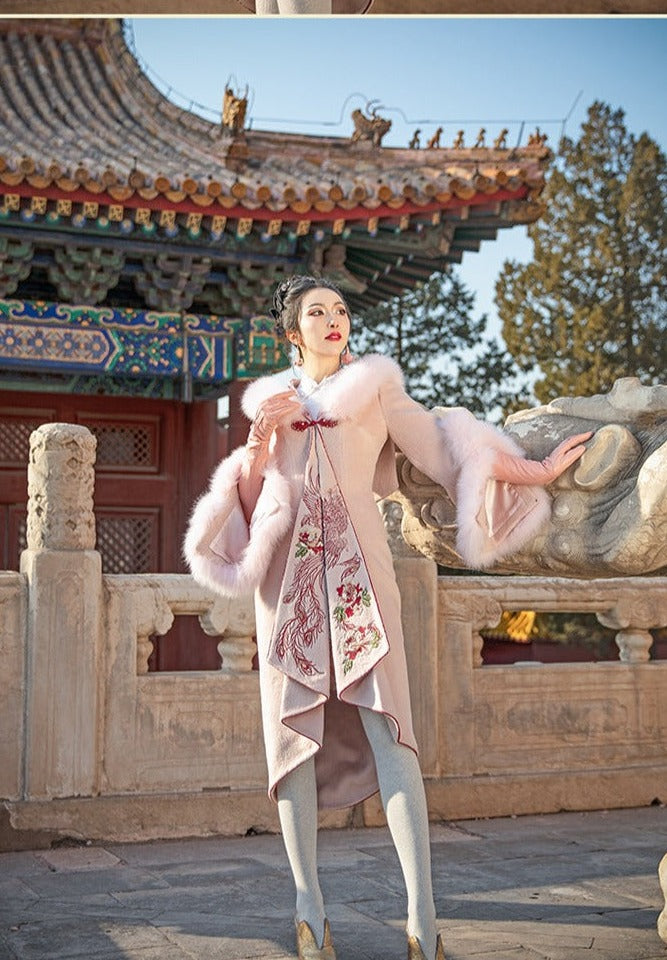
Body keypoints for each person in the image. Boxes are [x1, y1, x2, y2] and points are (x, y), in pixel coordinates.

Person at [184, 275, 591, 960]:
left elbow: (443, 449)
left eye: (341, 310)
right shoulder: (270, 403)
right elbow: (251, 503)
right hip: (286, 588)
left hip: (363, 580)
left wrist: (537, 471)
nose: (334, 320)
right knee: (290, 740)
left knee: (392, 731)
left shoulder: (375, 388)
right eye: (317, 312)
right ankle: (309, 910)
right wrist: (257, 442)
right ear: (292, 333)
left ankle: (421, 916)